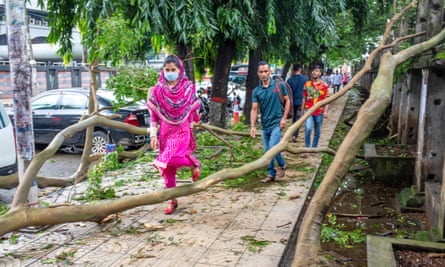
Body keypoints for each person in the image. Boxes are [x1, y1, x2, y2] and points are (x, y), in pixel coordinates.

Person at [147, 55, 201, 215]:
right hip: (165, 133)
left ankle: (193, 164)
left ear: (180, 70)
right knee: (168, 169)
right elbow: (153, 116)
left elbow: (194, 106)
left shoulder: (188, 87)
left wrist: (196, 119)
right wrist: (153, 135)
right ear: (163, 71)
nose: (170, 73)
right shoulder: (158, 90)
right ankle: (172, 200)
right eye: (167, 70)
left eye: (173, 70)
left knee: (170, 158)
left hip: (182, 130)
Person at [250, 61, 290, 183]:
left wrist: (284, 118)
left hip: (276, 123)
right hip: (264, 125)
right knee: (267, 150)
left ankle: (279, 167)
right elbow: (254, 109)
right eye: (261, 72)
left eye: (266, 71)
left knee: (272, 148)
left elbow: (287, 101)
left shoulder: (278, 86)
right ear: (258, 74)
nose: (264, 74)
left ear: (270, 72)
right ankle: (272, 173)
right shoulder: (256, 91)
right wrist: (252, 126)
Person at [302, 65, 329, 148]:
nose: (314, 72)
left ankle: (314, 147)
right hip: (308, 110)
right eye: (313, 71)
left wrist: (326, 111)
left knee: (317, 131)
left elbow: (327, 100)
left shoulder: (324, 85)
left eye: (316, 71)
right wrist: (302, 111)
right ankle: (307, 147)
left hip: (319, 111)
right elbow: (304, 98)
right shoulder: (307, 84)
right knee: (308, 128)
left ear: (320, 73)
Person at [286, 64, 308, 142]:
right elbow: (307, 91)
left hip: (292, 103)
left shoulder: (289, 80)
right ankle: (294, 135)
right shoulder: (305, 79)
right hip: (301, 102)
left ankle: (293, 134)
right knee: (297, 119)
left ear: (293, 70)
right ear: (300, 70)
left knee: (294, 118)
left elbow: (287, 92)